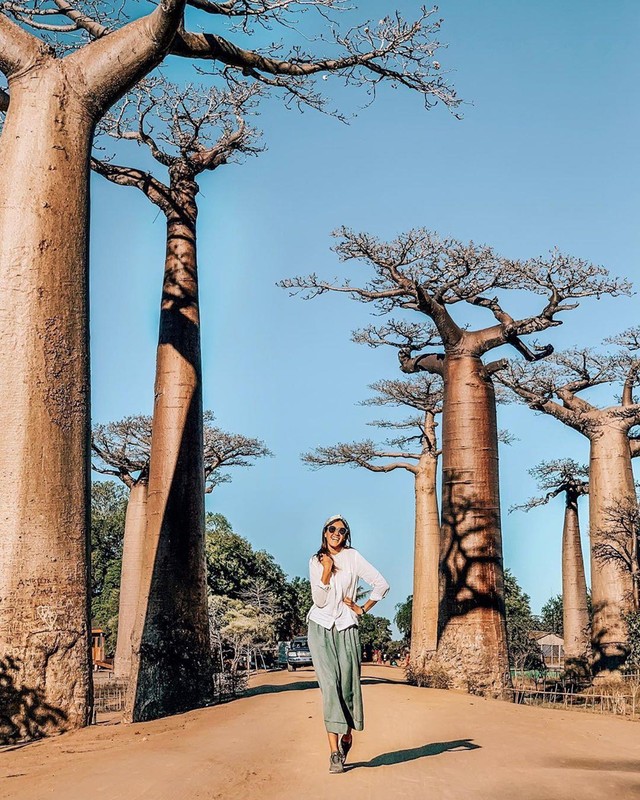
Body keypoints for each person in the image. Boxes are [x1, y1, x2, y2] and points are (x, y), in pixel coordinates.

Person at [306, 514, 390, 774]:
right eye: (332, 529)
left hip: (346, 627)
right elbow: (319, 601)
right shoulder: (315, 561)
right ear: (324, 532)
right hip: (319, 627)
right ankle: (333, 753)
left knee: (348, 689)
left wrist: (362, 609)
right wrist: (327, 570)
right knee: (329, 687)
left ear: (346, 536)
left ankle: (347, 737)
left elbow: (381, 585)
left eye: (342, 531)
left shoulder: (353, 557)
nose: (336, 534)